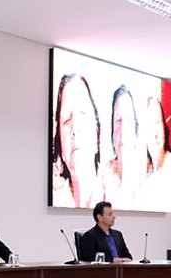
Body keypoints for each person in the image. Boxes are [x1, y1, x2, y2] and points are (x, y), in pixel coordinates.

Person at [51, 73, 101, 208]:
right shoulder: (57, 200)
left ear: (97, 134)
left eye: (83, 113)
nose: (75, 128)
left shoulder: (118, 194)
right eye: (67, 120)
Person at [101, 85, 143, 208]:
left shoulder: (145, 178)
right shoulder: (102, 176)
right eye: (118, 120)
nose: (123, 129)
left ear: (136, 129)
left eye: (128, 120)